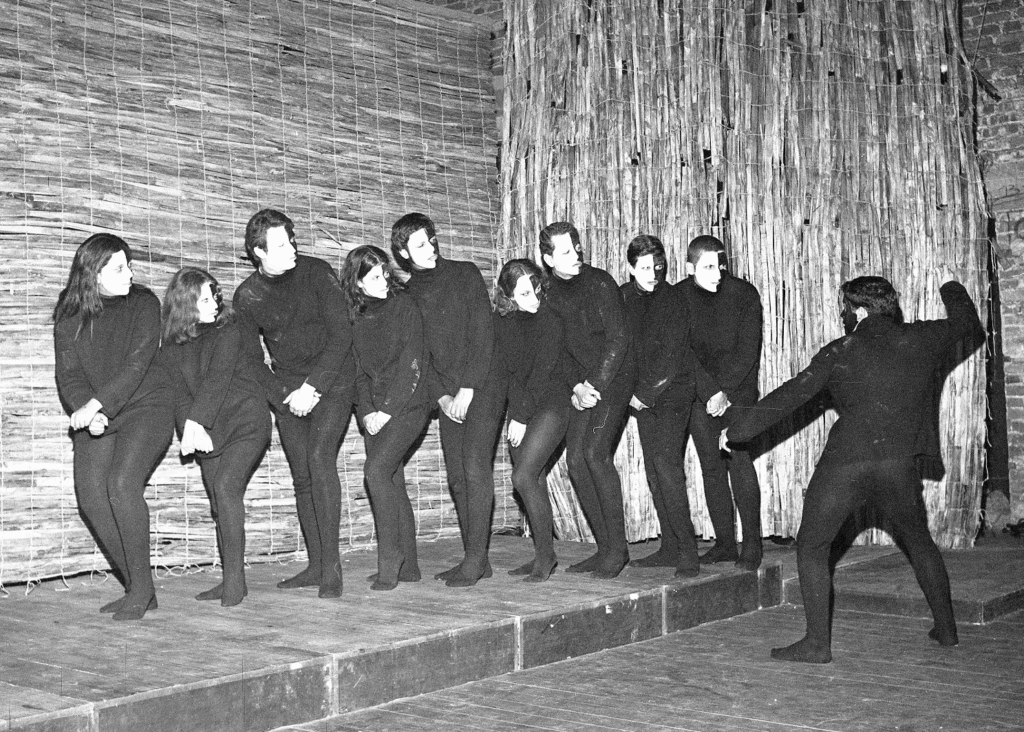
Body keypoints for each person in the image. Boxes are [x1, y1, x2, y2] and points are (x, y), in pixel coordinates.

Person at [723, 275, 982, 663]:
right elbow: (966, 324)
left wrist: (736, 431)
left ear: (858, 311)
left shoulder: (841, 350)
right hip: (898, 467)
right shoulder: (924, 338)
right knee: (919, 542)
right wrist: (950, 288)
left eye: (847, 309)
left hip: (845, 467)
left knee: (812, 546)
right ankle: (946, 631)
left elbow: (789, 396)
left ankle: (816, 644)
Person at [233, 209, 355, 599]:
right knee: (303, 476)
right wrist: (283, 397)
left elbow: (342, 335)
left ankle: (332, 568)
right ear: (258, 252)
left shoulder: (317, 273)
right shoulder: (247, 295)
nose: (292, 249)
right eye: (281, 244)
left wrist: (314, 388)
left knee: (320, 460)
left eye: (292, 240)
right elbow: (252, 360)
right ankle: (316, 565)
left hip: (333, 381)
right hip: (288, 391)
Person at [53, 233, 172, 620]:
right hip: (102, 410)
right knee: (90, 495)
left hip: (147, 405)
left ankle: (139, 591)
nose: (131, 273)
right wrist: (89, 410)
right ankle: (141, 586)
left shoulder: (144, 303)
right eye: (119, 268)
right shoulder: (70, 314)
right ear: (93, 275)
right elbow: (68, 374)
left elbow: (136, 366)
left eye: (130, 265)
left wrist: (97, 404)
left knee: (121, 484)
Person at [391, 213, 499, 588]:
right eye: (419, 244)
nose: (430, 248)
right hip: (448, 394)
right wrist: (442, 396)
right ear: (403, 253)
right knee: (456, 479)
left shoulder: (464, 274)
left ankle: (473, 559)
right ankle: (478, 558)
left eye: (431, 239)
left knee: (474, 469)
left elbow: (483, 334)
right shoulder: (407, 296)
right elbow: (419, 353)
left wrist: (468, 389)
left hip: (484, 384)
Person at [160, 268, 271, 607]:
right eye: (203, 300)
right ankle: (230, 579)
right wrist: (188, 435)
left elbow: (218, 379)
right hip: (206, 430)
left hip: (245, 422)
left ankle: (235, 583)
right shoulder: (172, 344)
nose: (213, 304)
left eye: (213, 297)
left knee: (226, 488)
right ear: (184, 306)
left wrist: (196, 422)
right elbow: (179, 394)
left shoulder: (229, 329)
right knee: (219, 505)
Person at [539, 222, 632, 578]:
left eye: (576, 246)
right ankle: (605, 547)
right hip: (582, 385)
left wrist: (593, 383)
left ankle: (618, 550)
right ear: (548, 259)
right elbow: (556, 349)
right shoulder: (547, 293)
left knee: (594, 452)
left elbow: (618, 338)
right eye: (564, 251)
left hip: (615, 376)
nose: (575, 255)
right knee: (575, 462)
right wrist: (577, 386)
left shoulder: (600, 282)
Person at [341, 245, 432, 591]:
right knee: (392, 479)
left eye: (385, 274)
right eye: (375, 277)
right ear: (359, 284)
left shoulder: (405, 307)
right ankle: (409, 565)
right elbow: (358, 373)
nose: (384, 281)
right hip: (374, 411)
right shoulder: (356, 317)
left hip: (408, 405)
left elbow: (413, 364)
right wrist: (366, 413)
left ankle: (389, 559)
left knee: (375, 472)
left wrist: (387, 411)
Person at [678, 235, 763, 571]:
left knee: (739, 461)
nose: (717, 273)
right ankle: (726, 544)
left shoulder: (744, 295)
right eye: (708, 267)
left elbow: (748, 352)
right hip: (701, 393)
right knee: (711, 468)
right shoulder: (679, 298)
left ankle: (752, 545)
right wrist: (709, 391)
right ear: (690, 268)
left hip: (738, 392)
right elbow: (683, 351)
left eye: (721, 265)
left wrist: (725, 392)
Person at [621, 235, 700, 577]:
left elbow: (670, 356)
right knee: (654, 472)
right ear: (630, 268)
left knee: (667, 468)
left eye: (658, 266)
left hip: (672, 393)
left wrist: (643, 394)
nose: (653, 274)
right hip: (642, 396)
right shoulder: (623, 298)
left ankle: (688, 552)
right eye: (644, 268)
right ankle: (669, 546)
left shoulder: (675, 299)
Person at [493, 259, 572, 582]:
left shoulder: (550, 320)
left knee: (523, 476)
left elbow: (542, 373)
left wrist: (521, 417)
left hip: (552, 404)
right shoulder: (505, 323)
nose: (534, 299)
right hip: (522, 407)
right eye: (524, 293)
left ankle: (547, 557)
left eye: (537, 290)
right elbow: (510, 374)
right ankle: (543, 554)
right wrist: (517, 412)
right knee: (533, 479)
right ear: (508, 295)